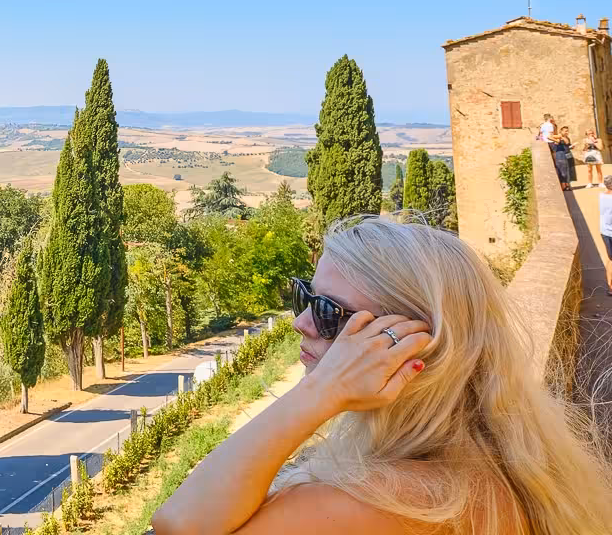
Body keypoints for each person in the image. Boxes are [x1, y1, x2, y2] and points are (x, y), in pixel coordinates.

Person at [150, 216, 611, 535]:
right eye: (304, 297)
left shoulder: (372, 503)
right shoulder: (508, 459)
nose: (302, 323)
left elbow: (181, 524)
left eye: (329, 312)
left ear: (409, 344)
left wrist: (317, 393)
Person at [549, 124, 575, 190]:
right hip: (560, 155)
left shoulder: (567, 138)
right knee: (562, 170)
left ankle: (567, 185)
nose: (567, 132)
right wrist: (557, 139)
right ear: (561, 131)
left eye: (567, 131)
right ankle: (564, 186)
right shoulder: (558, 137)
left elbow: (567, 144)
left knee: (567, 170)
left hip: (567, 155)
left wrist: (571, 147)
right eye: (565, 131)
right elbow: (549, 137)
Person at [602, 177, 612, 297]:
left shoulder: (602, 196)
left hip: (604, 231)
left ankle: (610, 287)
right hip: (610, 231)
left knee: (610, 259)